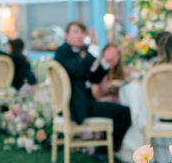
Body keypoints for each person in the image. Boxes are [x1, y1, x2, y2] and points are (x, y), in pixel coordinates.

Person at [53, 21, 131, 154]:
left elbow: (93, 78)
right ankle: (104, 152)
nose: (80, 36)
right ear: (66, 35)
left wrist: (107, 62)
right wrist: (93, 50)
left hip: (83, 104)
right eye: (75, 32)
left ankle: (104, 151)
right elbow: (78, 70)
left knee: (121, 111)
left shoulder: (74, 54)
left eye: (82, 33)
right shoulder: (62, 52)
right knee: (124, 113)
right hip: (75, 107)